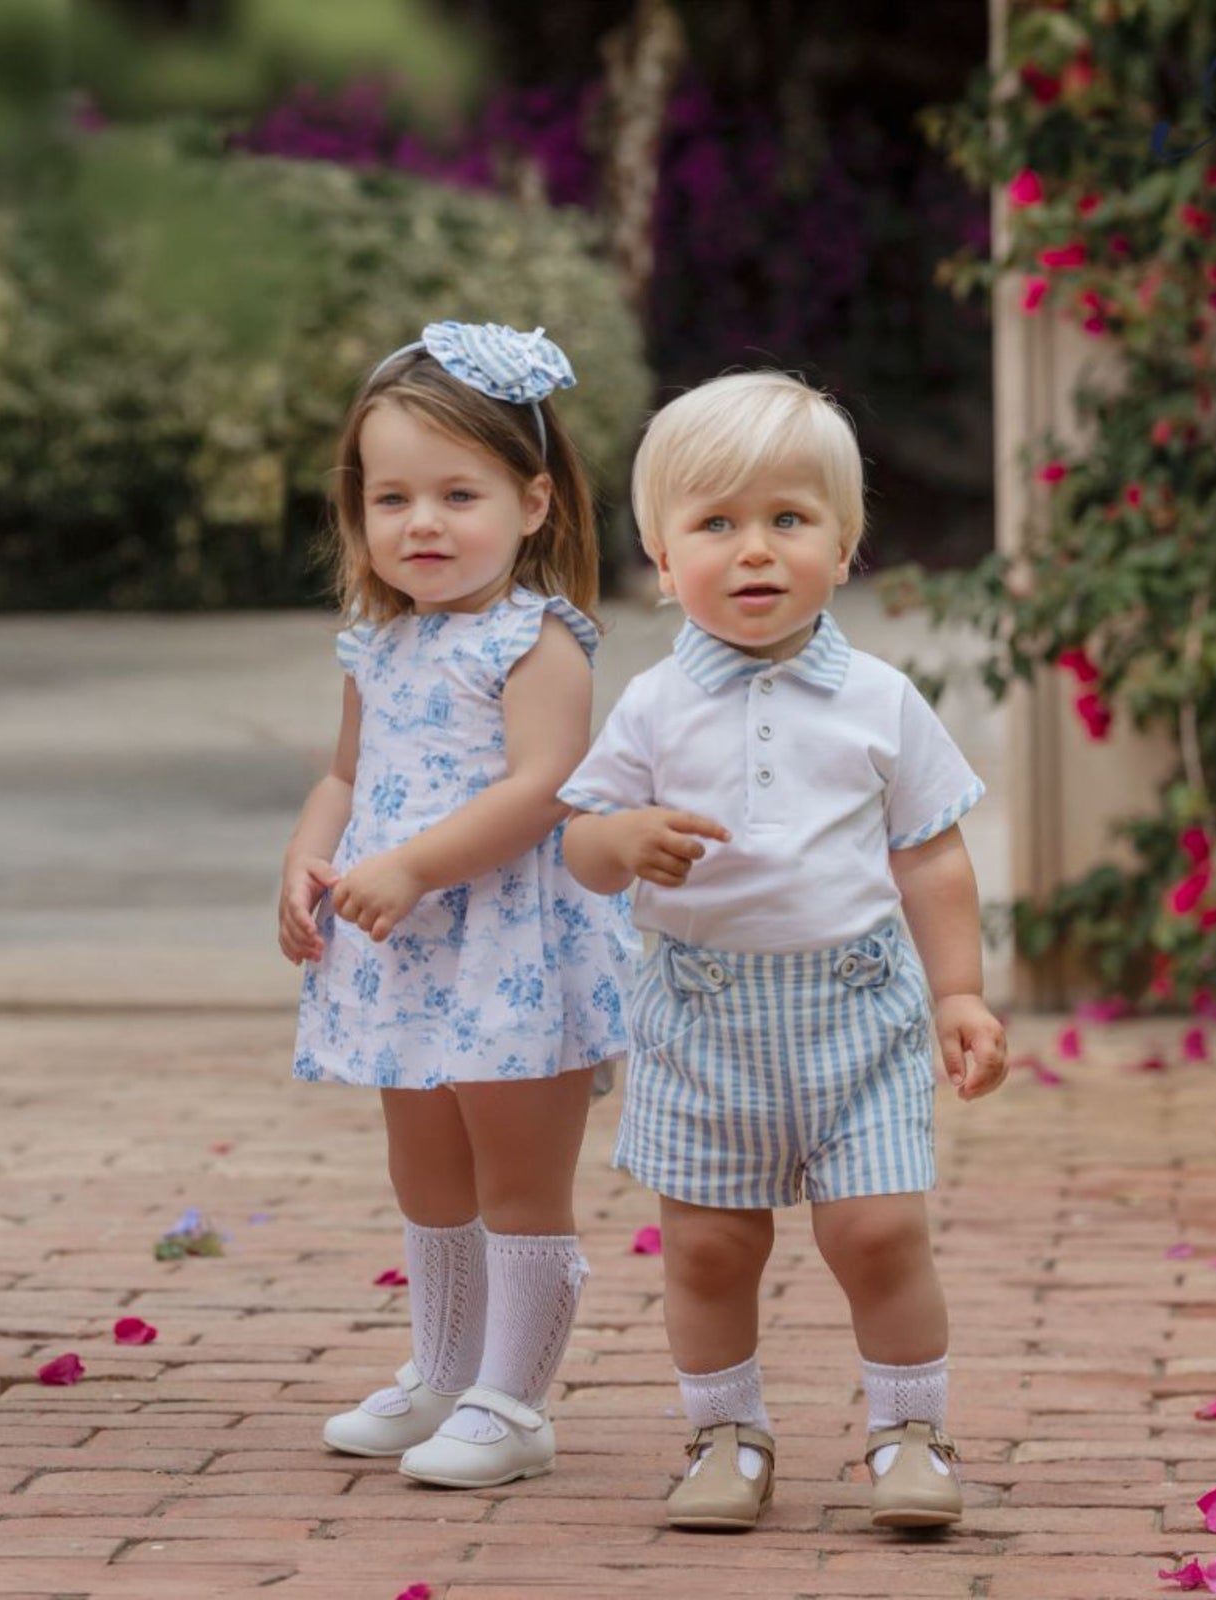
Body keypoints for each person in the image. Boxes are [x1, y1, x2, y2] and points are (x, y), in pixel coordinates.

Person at [558, 371, 1008, 1532]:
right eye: (715, 525)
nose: (753, 551)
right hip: (701, 1018)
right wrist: (622, 838)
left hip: (858, 1010)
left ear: (843, 545)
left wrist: (957, 990)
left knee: (878, 1229)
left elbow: (930, 854)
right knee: (709, 1246)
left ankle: (910, 1432)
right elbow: (581, 849)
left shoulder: (879, 696)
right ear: (662, 557)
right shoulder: (653, 705)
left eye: (788, 520)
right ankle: (724, 1435)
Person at [278, 321, 639, 1490]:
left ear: (534, 503)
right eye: (391, 498)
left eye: (455, 493)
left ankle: (514, 1400)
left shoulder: (538, 641)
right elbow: (344, 774)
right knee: (424, 1168)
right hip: (398, 945)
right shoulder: (375, 647)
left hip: (509, 947)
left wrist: (419, 864)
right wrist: (308, 857)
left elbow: (543, 789)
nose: (420, 523)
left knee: (517, 1176)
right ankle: (440, 1369)